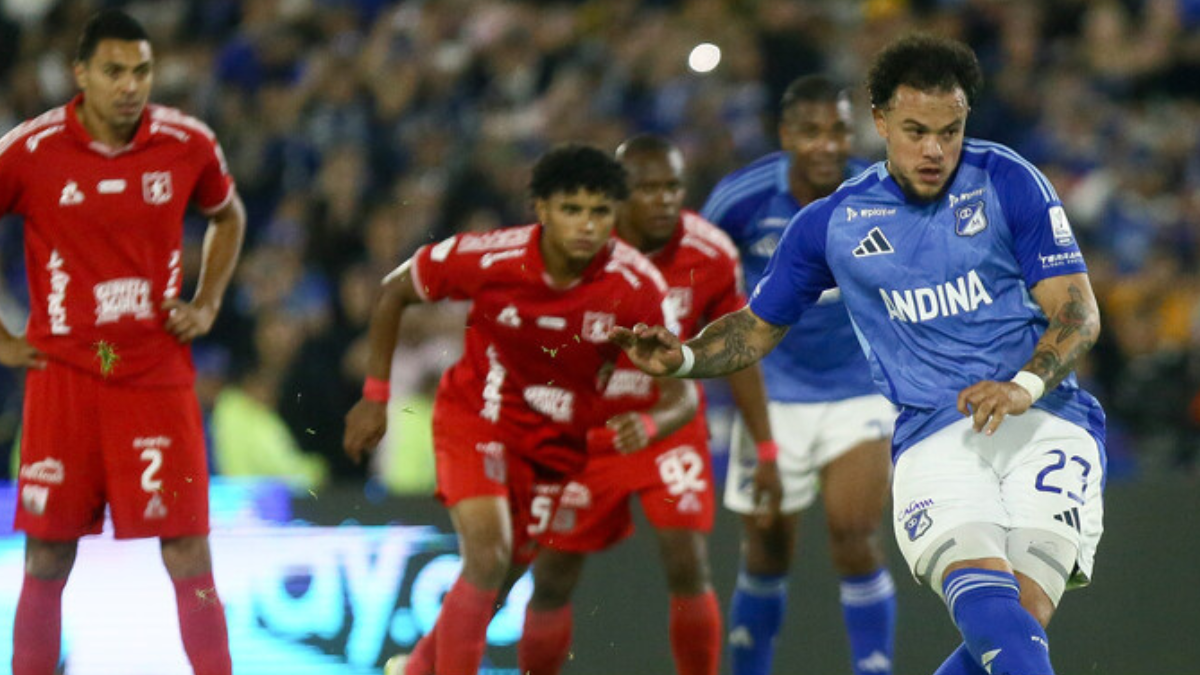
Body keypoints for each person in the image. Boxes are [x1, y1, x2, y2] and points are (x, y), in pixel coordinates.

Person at [613, 34, 1106, 675]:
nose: (935, 150)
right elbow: (756, 328)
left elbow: (1077, 312)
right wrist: (680, 358)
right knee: (993, 614)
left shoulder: (1009, 181)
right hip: (935, 439)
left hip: (1047, 422)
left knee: (1022, 622)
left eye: (951, 131)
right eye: (916, 131)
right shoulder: (833, 223)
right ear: (879, 121)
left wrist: (1023, 385)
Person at [343, 143, 697, 675]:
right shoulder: (491, 257)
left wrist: (651, 419)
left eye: (599, 211)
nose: (586, 225)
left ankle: (414, 669)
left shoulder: (638, 288)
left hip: (556, 447)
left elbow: (683, 395)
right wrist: (375, 396)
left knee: (499, 580)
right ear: (541, 209)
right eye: (571, 209)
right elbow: (394, 291)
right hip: (477, 416)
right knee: (487, 557)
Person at [0, 10, 245, 675]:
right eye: (114, 71)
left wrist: (207, 302)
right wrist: (3, 338)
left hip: (154, 373)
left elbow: (227, 215)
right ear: (81, 74)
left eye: (141, 70)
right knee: (47, 556)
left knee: (189, 551)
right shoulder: (31, 149)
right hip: (65, 373)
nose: (130, 85)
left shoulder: (187, 143)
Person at [517, 135, 760, 675]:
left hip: (668, 422)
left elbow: (739, 350)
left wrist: (764, 445)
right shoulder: (575, 251)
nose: (664, 199)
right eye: (648, 188)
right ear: (618, 196)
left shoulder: (711, 253)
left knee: (687, 559)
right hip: (587, 432)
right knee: (553, 573)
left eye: (673, 186)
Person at [701, 75, 898, 675]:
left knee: (854, 535)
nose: (828, 145)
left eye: (838, 130)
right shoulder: (741, 200)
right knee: (766, 551)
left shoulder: (882, 191)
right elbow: (702, 281)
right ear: (786, 136)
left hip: (860, 388)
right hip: (771, 395)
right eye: (811, 132)